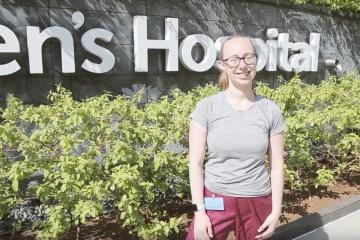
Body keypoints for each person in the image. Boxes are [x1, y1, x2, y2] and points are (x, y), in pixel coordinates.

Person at [186, 35, 286, 240]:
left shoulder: (270, 110)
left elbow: (276, 166)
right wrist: (199, 212)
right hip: (215, 198)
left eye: (248, 57)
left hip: (257, 200)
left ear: (256, 61)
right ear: (223, 64)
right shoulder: (207, 107)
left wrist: (276, 212)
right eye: (234, 59)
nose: (242, 65)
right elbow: (195, 163)